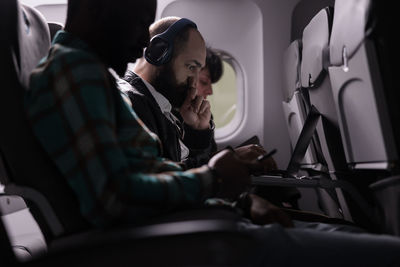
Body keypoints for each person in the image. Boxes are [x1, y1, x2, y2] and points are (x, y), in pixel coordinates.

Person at [23, 1, 400, 266]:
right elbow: (115, 197)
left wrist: (233, 201)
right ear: (94, 6)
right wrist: (215, 179)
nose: (143, 39)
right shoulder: (74, 72)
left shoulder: (95, 76)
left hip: (195, 225)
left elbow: (149, 175)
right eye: (139, 17)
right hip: (183, 242)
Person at [122, 17, 275, 171]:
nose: (194, 83)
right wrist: (226, 162)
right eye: (191, 67)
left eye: (199, 69)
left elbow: (179, 167)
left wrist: (197, 132)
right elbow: (157, 180)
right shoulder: (131, 104)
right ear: (158, 53)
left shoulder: (162, 106)